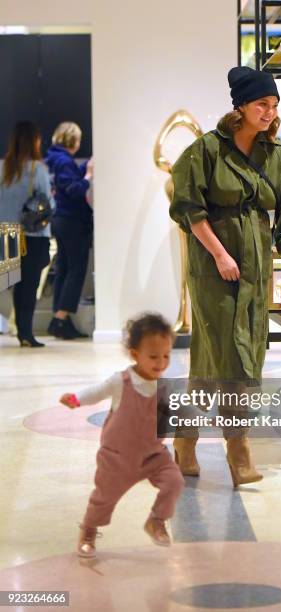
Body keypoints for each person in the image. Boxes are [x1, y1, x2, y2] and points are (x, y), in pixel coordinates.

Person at [169, 67, 281, 487]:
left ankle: (187, 440)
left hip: (256, 269)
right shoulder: (206, 150)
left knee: (245, 352)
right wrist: (221, 255)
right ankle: (235, 447)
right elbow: (190, 210)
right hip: (213, 269)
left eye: (274, 105)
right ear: (241, 106)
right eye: (262, 104)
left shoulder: (279, 156)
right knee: (226, 353)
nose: (269, 112)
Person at [59, 313, 185, 557]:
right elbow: (96, 392)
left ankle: (156, 520)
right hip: (118, 457)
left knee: (175, 481)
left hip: (153, 455)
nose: (161, 363)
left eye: (166, 356)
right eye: (153, 357)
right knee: (103, 499)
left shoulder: (165, 387)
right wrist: (75, 400)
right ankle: (89, 530)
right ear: (135, 354)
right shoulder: (122, 381)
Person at [0, 121, 55, 347]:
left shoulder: (3, 168)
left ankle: (18, 329)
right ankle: (26, 334)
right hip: (32, 235)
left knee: (12, 283)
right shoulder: (37, 169)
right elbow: (49, 203)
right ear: (34, 141)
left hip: (6, 233)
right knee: (29, 286)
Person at [45, 122, 93, 340]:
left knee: (64, 269)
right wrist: (89, 175)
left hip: (60, 219)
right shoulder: (64, 161)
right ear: (73, 140)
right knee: (75, 270)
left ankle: (59, 319)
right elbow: (74, 190)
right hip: (72, 220)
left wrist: (83, 170)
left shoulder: (54, 159)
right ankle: (60, 320)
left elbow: (67, 183)